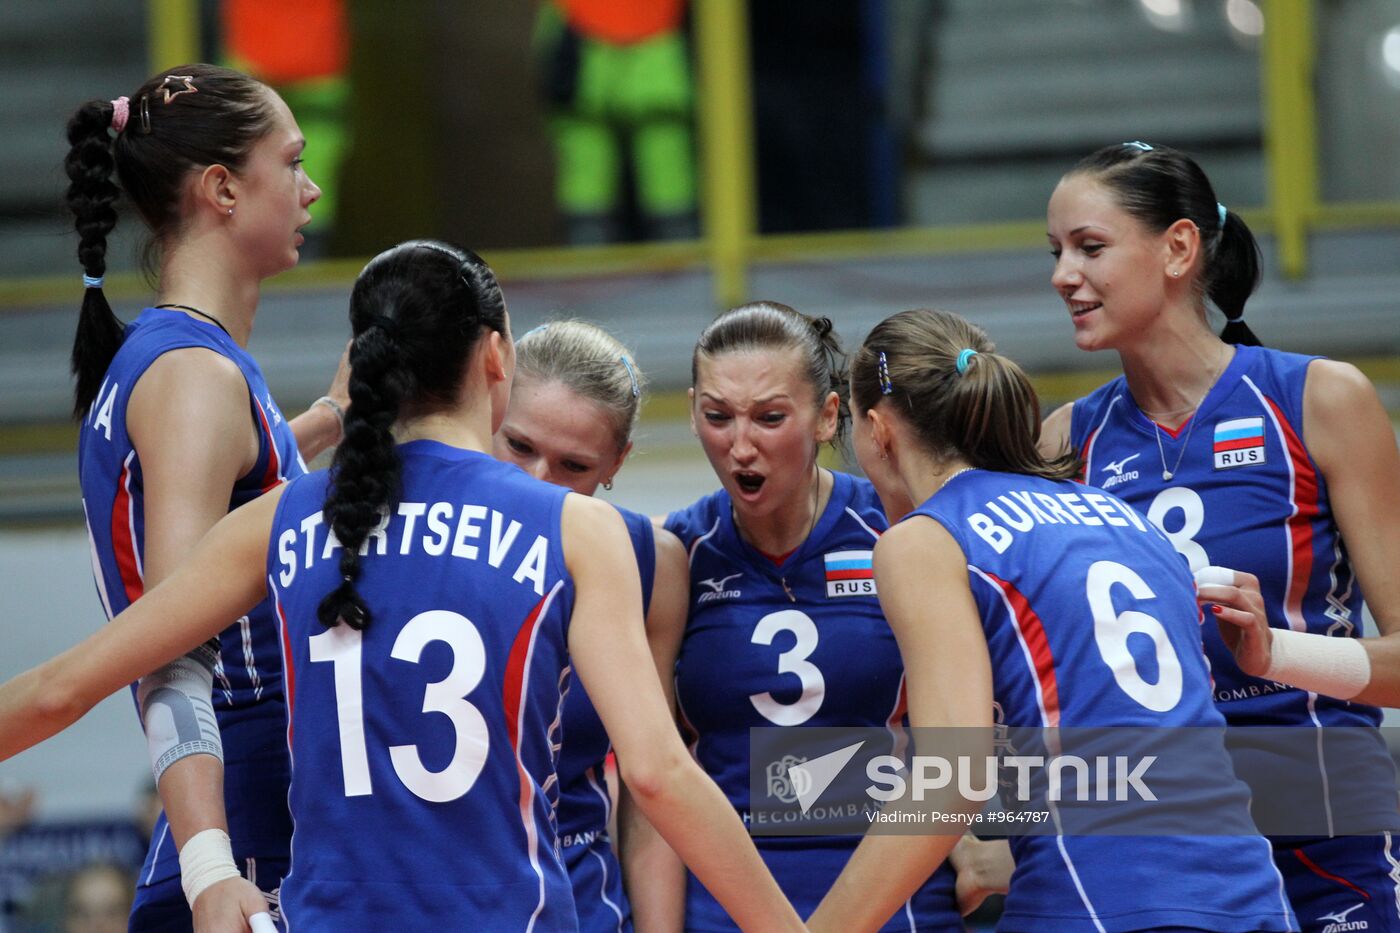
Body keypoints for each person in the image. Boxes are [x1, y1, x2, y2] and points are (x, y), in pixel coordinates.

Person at [0, 241, 804, 933]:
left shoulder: (282, 519)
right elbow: (660, 774)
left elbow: (63, 688)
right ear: (497, 357)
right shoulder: (577, 530)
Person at [805, 308, 1295, 932]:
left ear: (878, 431)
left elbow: (951, 779)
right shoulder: (1121, 515)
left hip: (1104, 896)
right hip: (1251, 893)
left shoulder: (924, 539)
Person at [1041, 142, 1400, 931]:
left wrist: (1276, 652)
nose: (1064, 274)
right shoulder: (1065, 443)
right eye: (1057, 251)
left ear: (1179, 247)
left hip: (1323, 820)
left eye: (1090, 247)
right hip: (1164, 841)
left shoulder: (1318, 398)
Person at [65, 63, 348, 930]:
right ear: (223, 187)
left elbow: (236, 498)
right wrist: (208, 860)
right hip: (244, 815)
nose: (311, 188)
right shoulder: (194, 378)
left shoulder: (181, 360)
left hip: (247, 802)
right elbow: (177, 648)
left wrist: (329, 419)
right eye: (292, 162)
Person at [657, 301, 964, 930]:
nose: (741, 446)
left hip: (893, 895)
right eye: (717, 417)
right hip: (722, 902)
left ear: (827, 416)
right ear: (692, 412)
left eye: (770, 418)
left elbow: (987, 726)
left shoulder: (898, 530)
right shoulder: (677, 553)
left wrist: (991, 836)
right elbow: (654, 765)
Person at [492, 319, 689, 931]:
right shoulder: (404, 533)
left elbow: (653, 782)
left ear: (616, 462)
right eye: (519, 447)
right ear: (490, 408)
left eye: (572, 464)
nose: (537, 482)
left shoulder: (654, 561)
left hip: (583, 901)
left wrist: (979, 820)